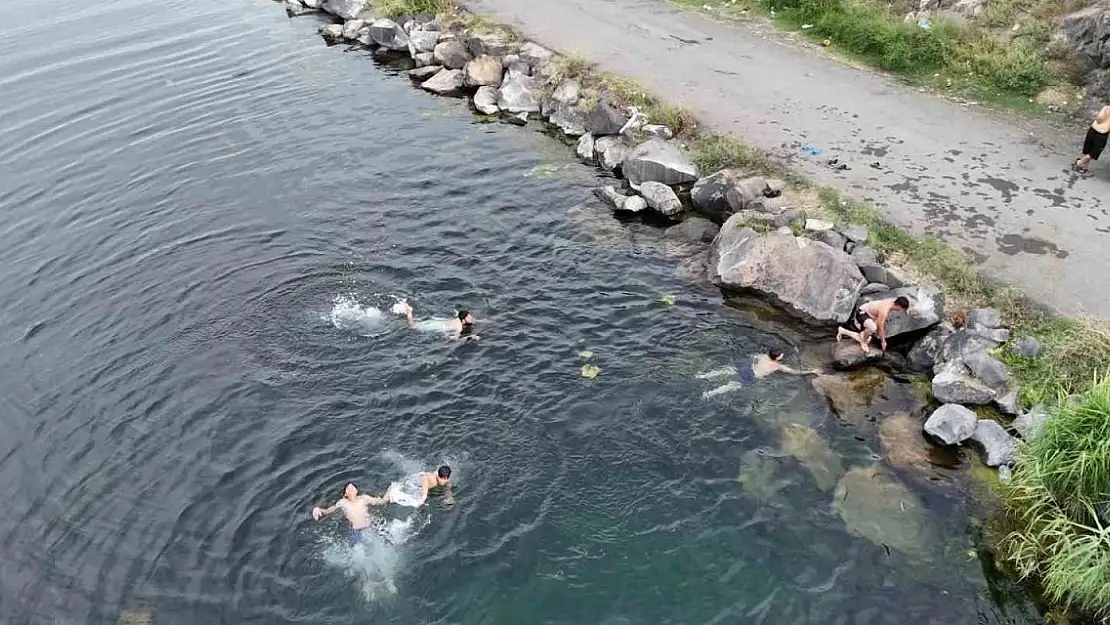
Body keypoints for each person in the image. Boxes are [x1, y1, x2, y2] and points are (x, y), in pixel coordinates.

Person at [310, 483, 391, 545]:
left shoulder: (364, 498)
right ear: (345, 494)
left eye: (353, 487)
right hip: (355, 531)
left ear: (357, 491)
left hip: (369, 527)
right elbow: (329, 510)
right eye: (348, 488)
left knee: (378, 545)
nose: (351, 488)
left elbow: (382, 501)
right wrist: (319, 509)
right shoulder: (342, 502)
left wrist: (390, 490)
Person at [836, 296, 910, 353]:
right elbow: (880, 328)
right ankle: (864, 343)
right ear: (897, 305)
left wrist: (907, 310)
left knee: (864, 336)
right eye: (901, 309)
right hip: (862, 313)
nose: (900, 311)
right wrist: (883, 341)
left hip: (871, 316)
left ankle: (842, 330)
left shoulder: (894, 301)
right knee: (873, 328)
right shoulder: (884, 309)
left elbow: (903, 302)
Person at [403, 302, 475, 339]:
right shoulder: (459, 327)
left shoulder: (458, 319)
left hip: (440, 322)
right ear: (463, 321)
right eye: (469, 317)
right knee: (413, 327)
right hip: (439, 326)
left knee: (417, 324)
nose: (471, 317)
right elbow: (457, 338)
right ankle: (409, 312)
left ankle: (409, 312)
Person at [1074, 105, 1110, 173]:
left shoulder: (1106, 108)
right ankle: (1082, 164)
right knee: (1091, 150)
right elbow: (1099, 119)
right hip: (1097, 132)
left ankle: (1082, 164)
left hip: (1097, 132)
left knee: (1091, 151)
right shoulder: (1106, 108)